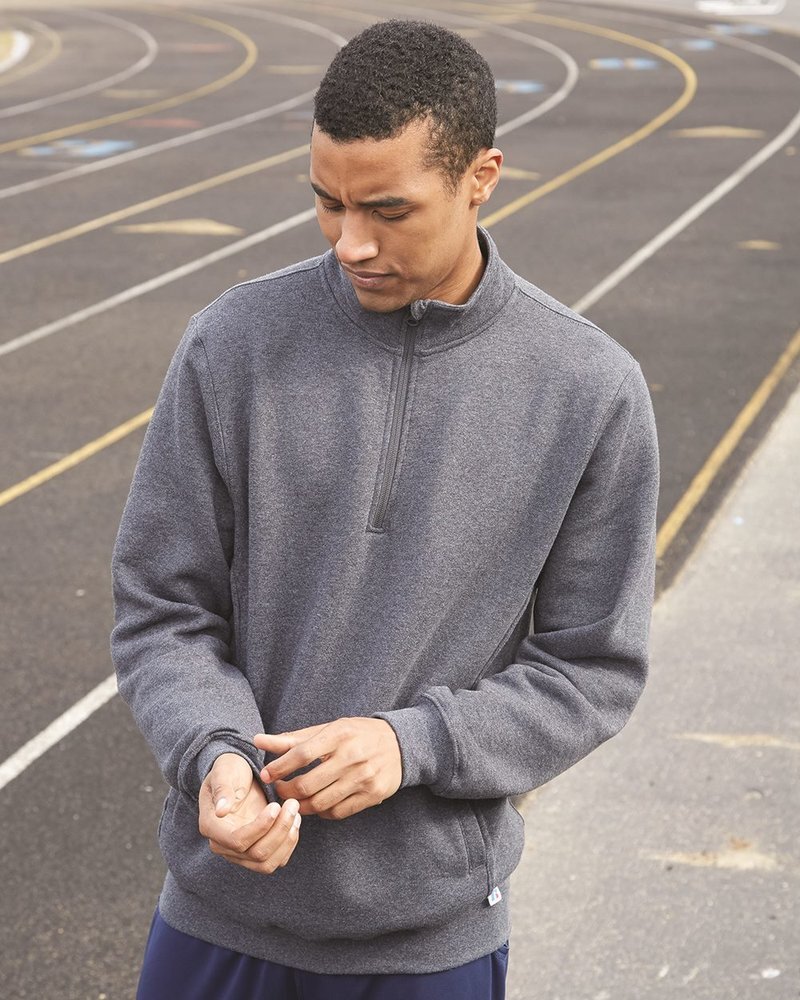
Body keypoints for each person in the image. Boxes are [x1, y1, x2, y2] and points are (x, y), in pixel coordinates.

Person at [111, 17, 659, 1000]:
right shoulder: (231, 345)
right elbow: (163, 607)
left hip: (428, 944)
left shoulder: (588, 390)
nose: (351, 242)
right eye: (327, 203)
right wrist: (213, 755)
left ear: (481, 177)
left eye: (388, 209)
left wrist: (412, 745)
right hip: (216, 919)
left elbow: (591, 668)